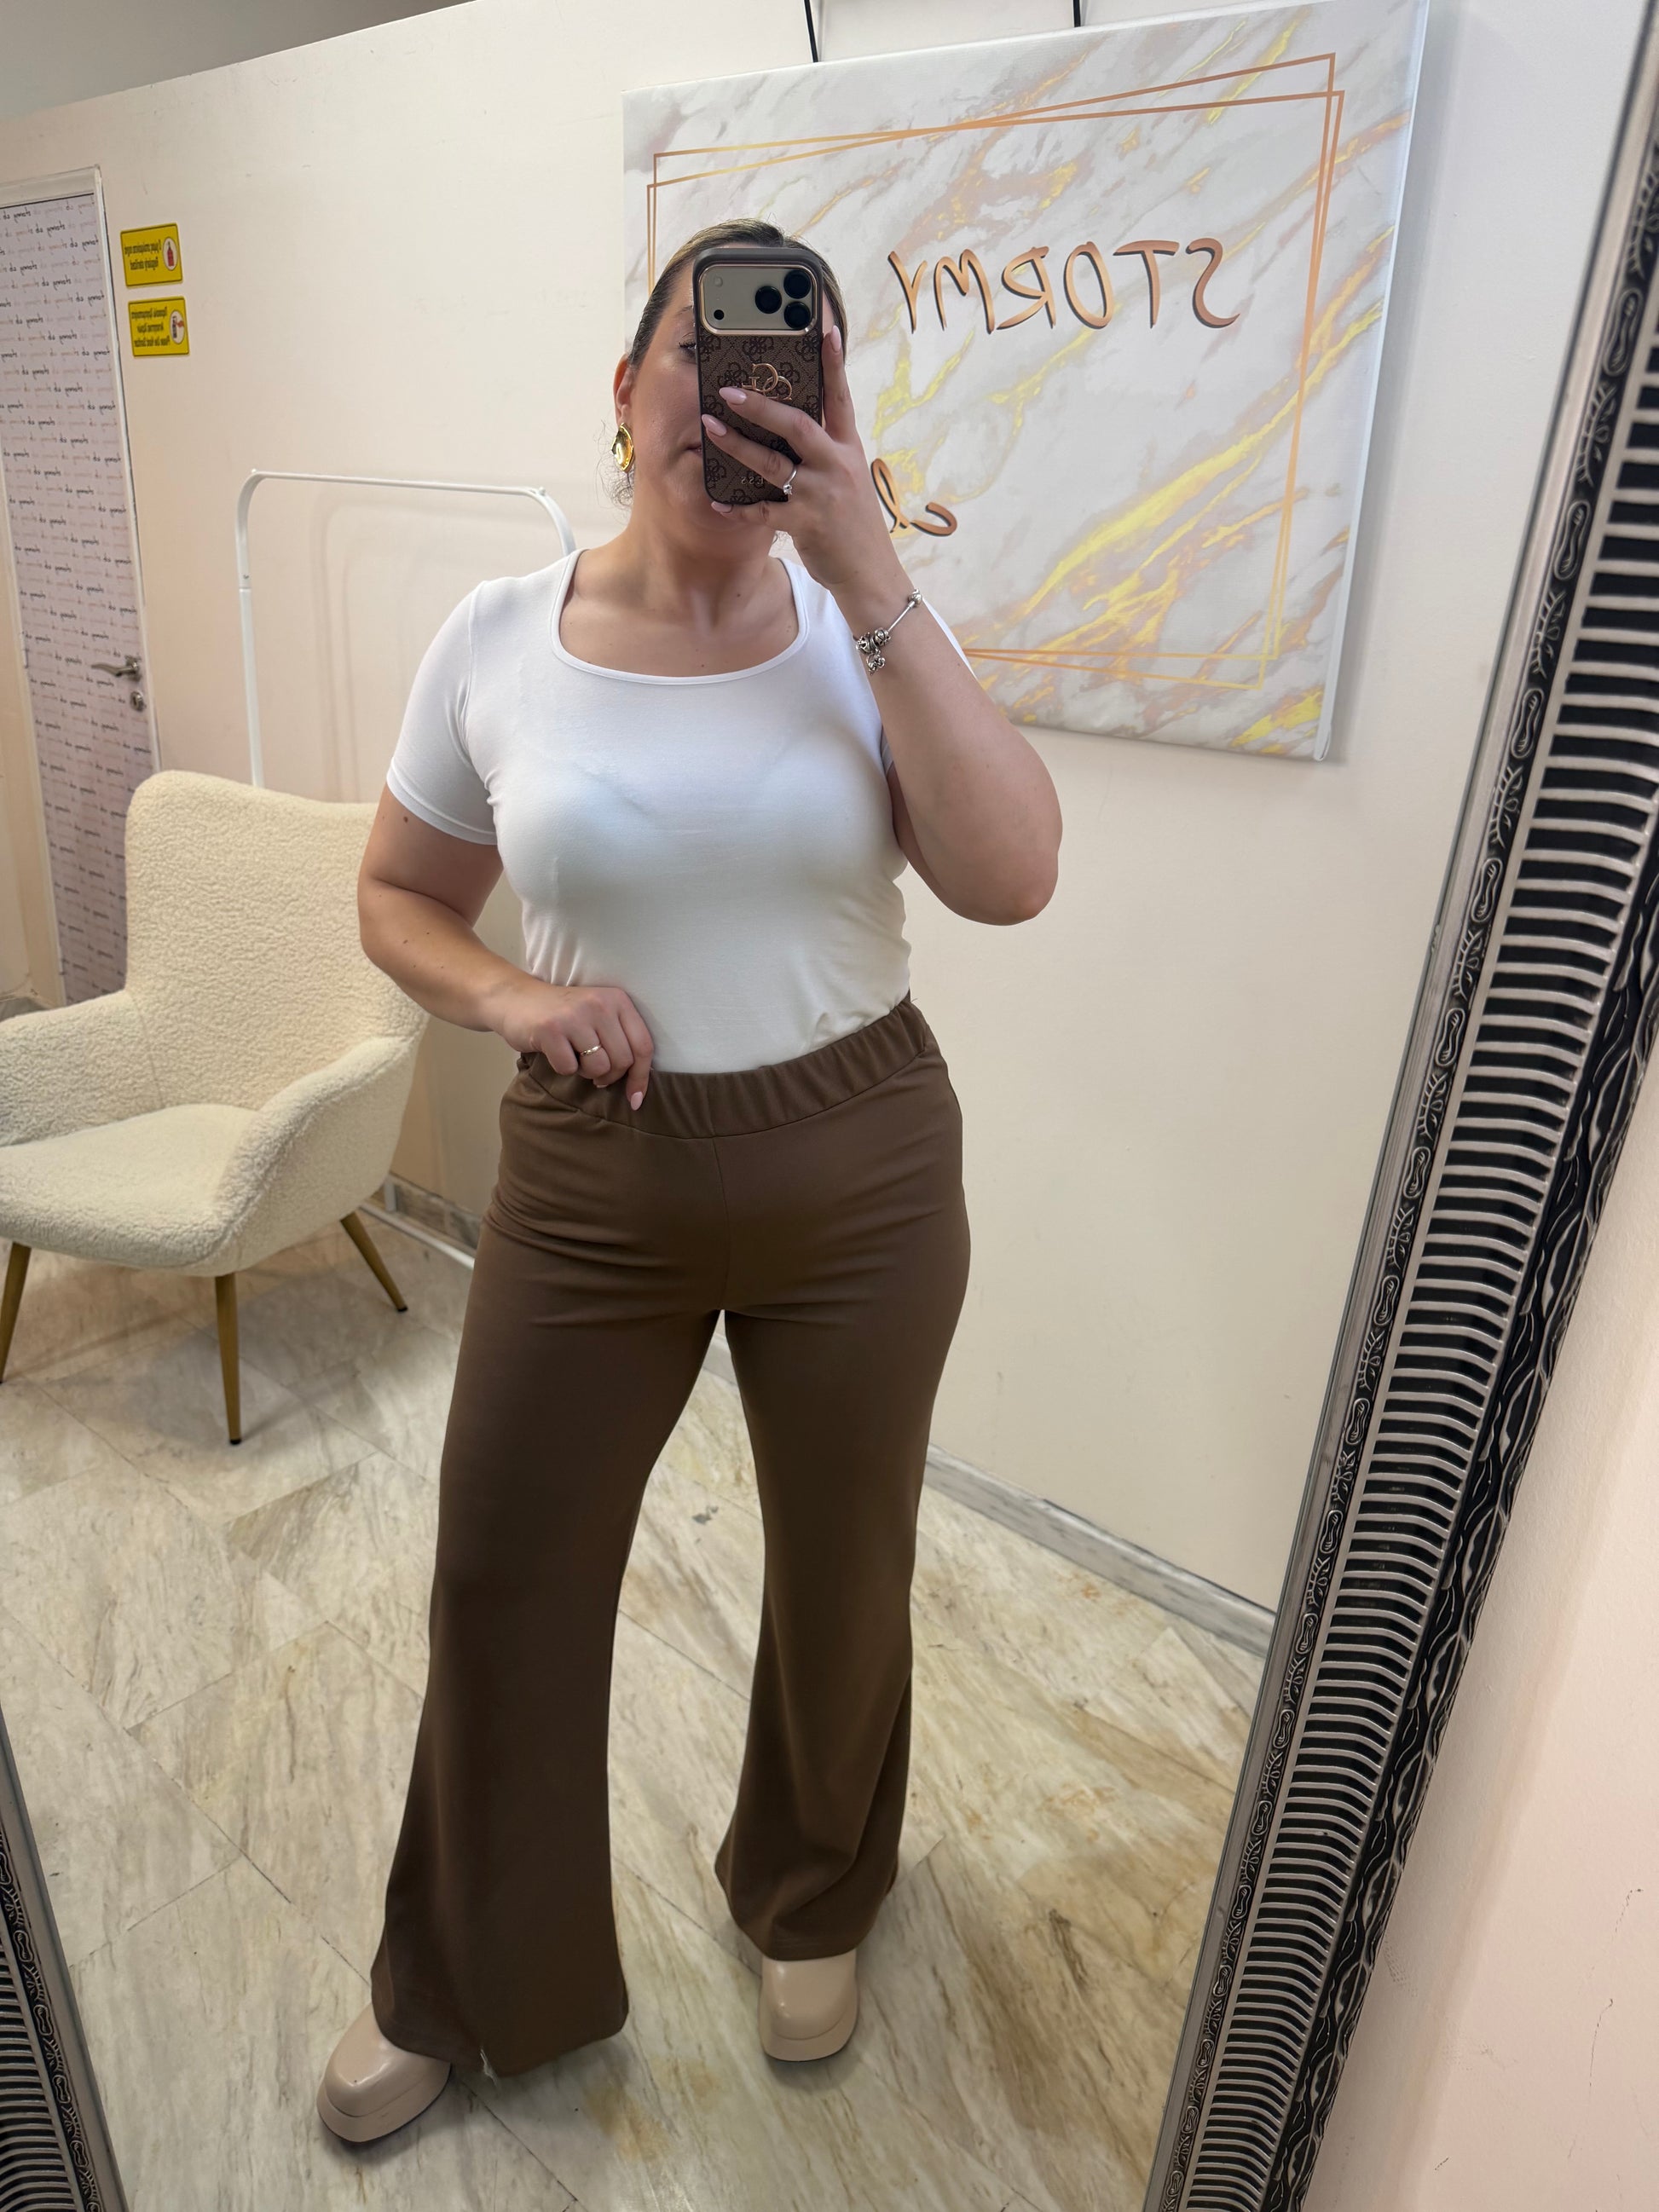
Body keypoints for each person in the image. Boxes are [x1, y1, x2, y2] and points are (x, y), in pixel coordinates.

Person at [316, 217, 1061, 2144]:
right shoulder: (496, 637)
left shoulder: (860, 632)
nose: (736, 402)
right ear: (627, 386)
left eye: (789, 370)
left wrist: (872, 571)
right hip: (593, 1174)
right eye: (702, 357)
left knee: (843, 1564)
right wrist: (511, 995)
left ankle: (813, 1892)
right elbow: (396, 895)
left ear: (832, 406)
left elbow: (1011, 874)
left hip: (862, 1167)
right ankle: (463, 1972)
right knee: (504, 1570)